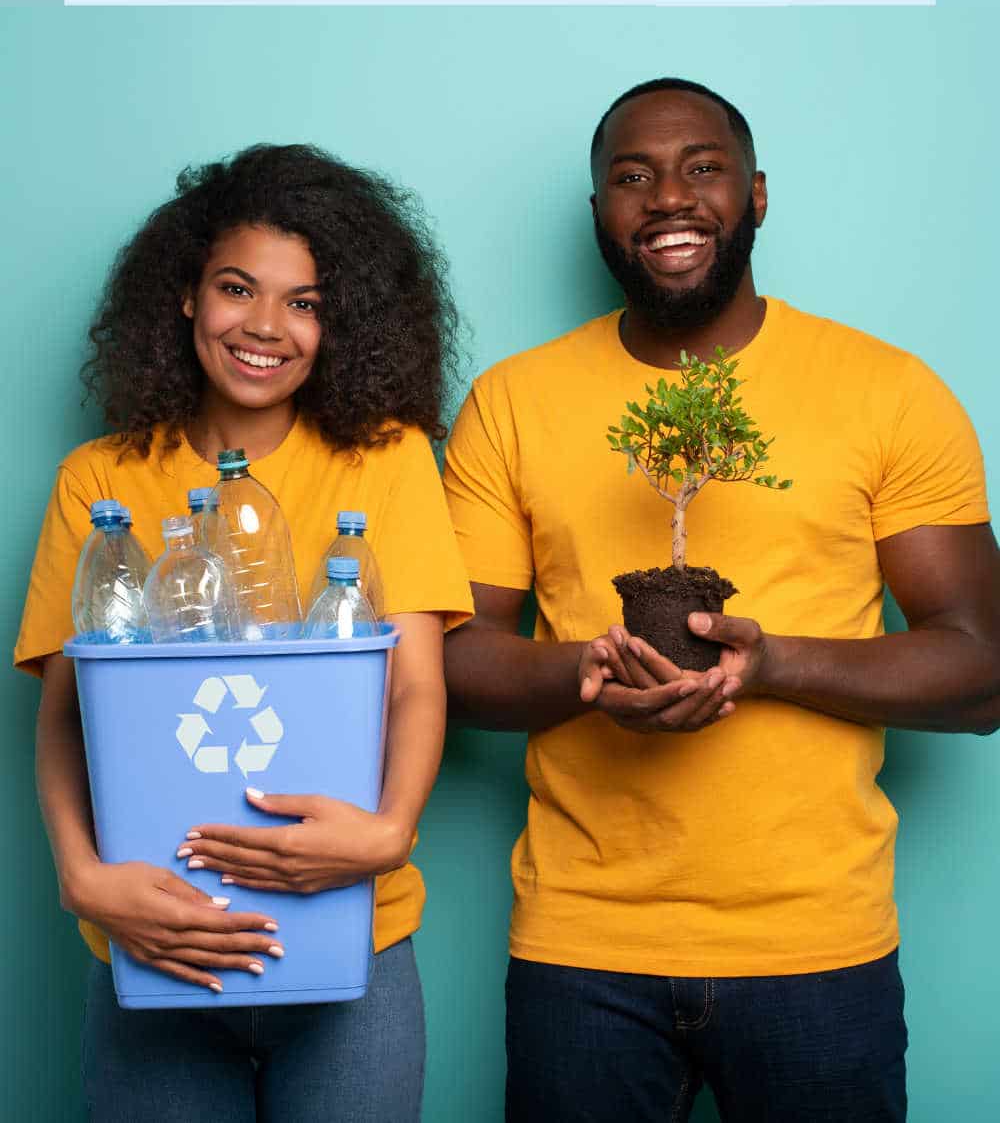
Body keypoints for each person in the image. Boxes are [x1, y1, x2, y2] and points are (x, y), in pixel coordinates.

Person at [442, 78, 1000, 1123]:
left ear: (755, 194)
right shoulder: (513, 401)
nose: (668, 198)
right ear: (599, 211)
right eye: (630, 176)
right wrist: (586, 672)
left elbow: (979, 667)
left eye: (702, 168)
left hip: (816, 946)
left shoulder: (886, 391)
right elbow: (452, 655)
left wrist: (775, 661)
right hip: (580, 946)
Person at [15, 143, 472, 1122]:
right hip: (156, 938)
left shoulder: (386, 463)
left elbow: (415, 682)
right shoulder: (101, 480)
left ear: (338, 321)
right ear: (185, 296)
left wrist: (388, 834)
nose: (265, 327)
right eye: (236, 289)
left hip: (353, 941)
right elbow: (65, 715)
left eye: (304, 302)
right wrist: (81, 878)